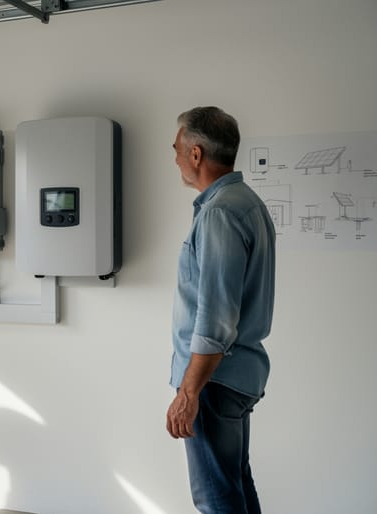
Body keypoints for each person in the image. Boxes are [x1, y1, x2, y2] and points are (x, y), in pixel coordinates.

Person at [165, 107, 276, 514]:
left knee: (216, 498)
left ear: (196, 154)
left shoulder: (219, 213)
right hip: (234, 376)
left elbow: (215, 319)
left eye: (177, 148)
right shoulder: (246, 203)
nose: (175, 157)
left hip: (214, 380)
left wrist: (189, 392)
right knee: (234, 486)